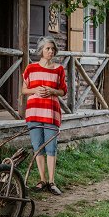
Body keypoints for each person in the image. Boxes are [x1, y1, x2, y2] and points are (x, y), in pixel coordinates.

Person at [21, 36, 67, 195]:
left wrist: (52, 91)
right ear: (41, 50)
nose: (51, 51)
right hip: (34, 112)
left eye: (53, 49)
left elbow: (63, 91)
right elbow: (23, 90)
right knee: (37, 147)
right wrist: (35, 90)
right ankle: (42, 180)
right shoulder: (31, 68)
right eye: (48, 48)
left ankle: (52, 182)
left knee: (51, 148)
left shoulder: (59, 69)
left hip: (51, 113)